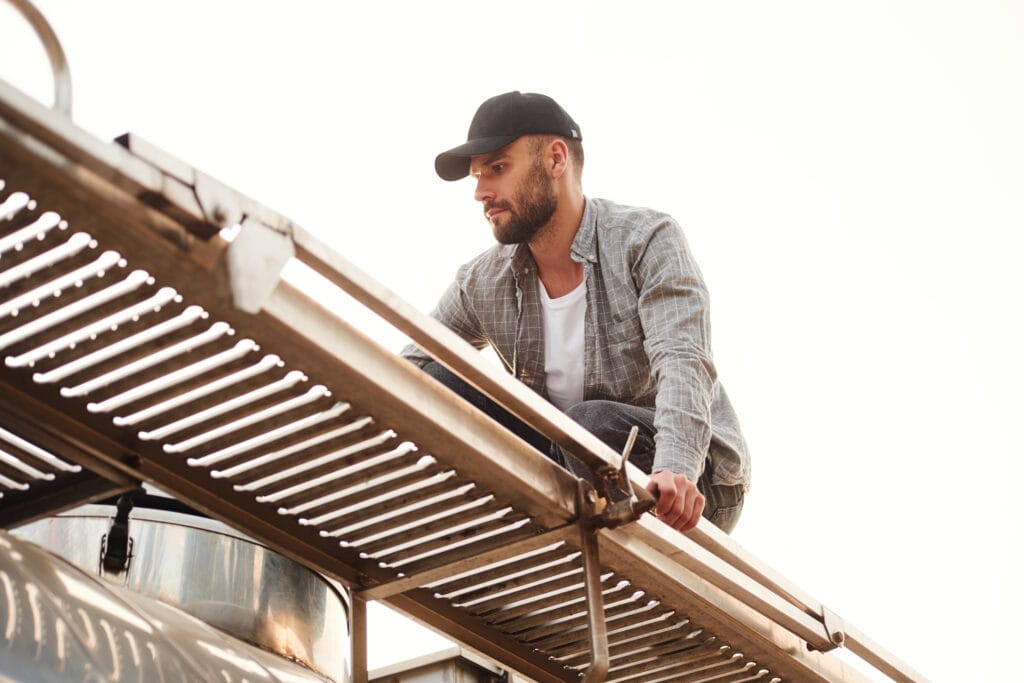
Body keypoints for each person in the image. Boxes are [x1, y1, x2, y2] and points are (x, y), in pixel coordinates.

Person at [402, 91, 750, 534]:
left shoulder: (644, 240)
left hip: (691, 477)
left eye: (498, 168)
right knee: (435, 382)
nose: (480, 192)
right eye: (476, 176)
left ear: (556, 158)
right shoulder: (482, 281)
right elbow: (411, 363)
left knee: (591, 425)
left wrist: (676, 465)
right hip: (570, 463)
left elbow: (682, 359)